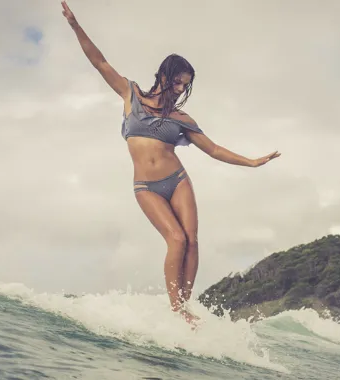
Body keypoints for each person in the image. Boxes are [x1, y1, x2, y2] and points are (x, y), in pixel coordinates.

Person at [61, 1, 280, 325]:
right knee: (175, 239)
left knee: (191, 240)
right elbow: (99, 61)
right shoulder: (130, 94)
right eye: (177, 82)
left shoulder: (182, 119)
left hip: (176, 180)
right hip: (146, 187)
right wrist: (76, 27)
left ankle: (184, 307)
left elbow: (214, 149)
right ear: (164, 75)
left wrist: (251, 162)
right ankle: (176, 309)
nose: (180, 89)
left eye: (185, 85)